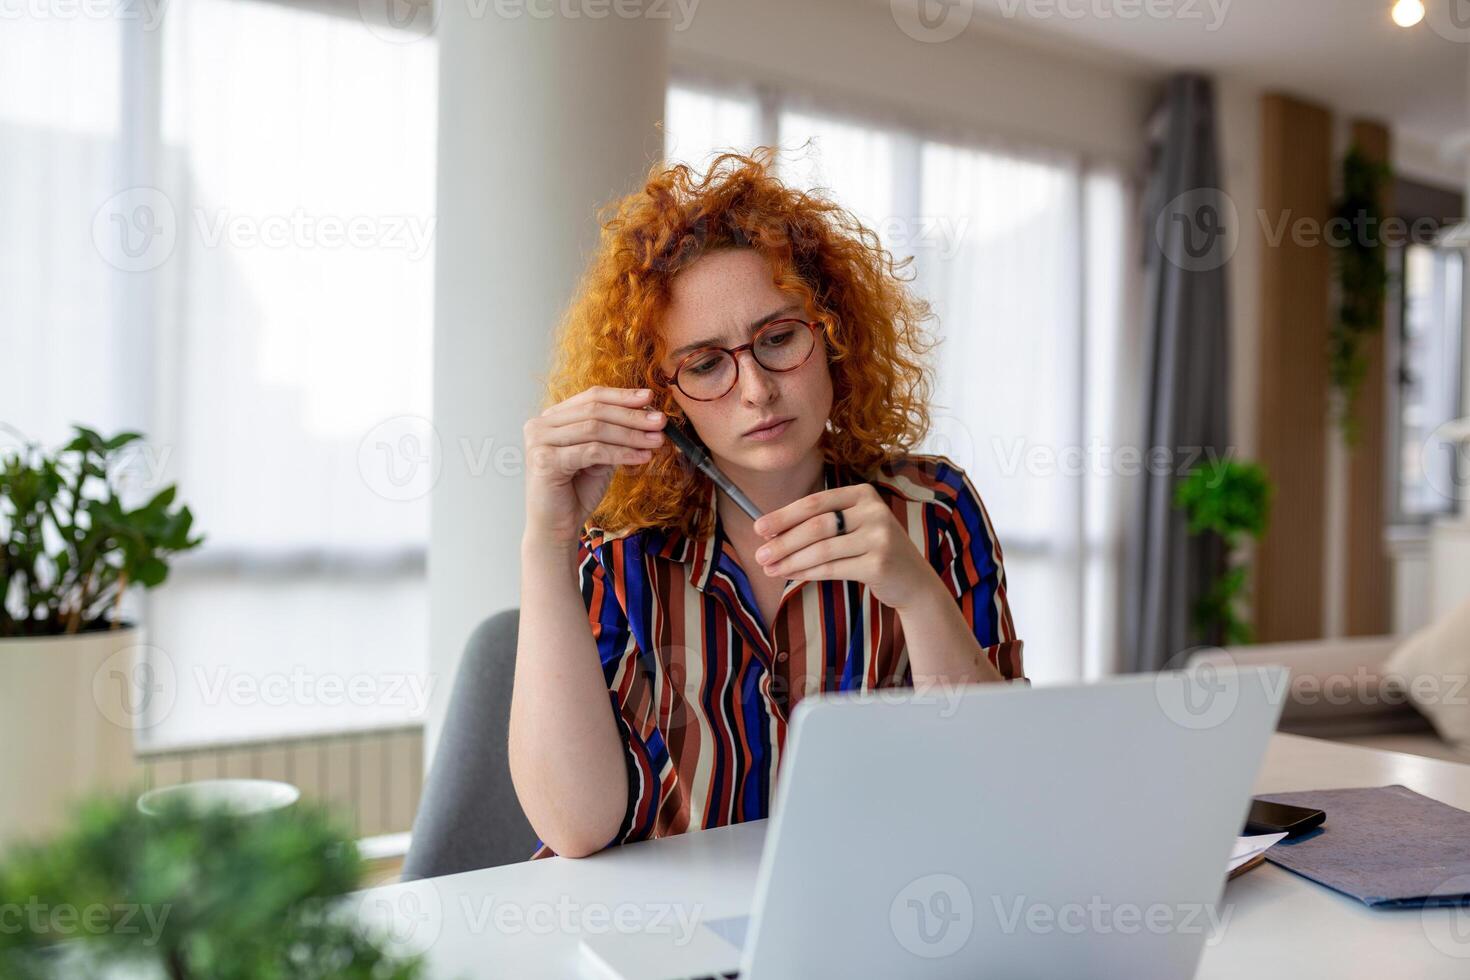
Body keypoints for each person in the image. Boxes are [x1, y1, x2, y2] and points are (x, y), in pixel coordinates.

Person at [510, 148, 1025, 861]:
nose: (756, 390)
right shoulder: (624, 549)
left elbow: (1000, 786)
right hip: (671, 935)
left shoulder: (933, 509)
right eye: (707, 363)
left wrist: (918, 595)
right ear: (663, 396)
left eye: (779, 338)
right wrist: (547, 540)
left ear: (833, 334)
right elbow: (575, 826)